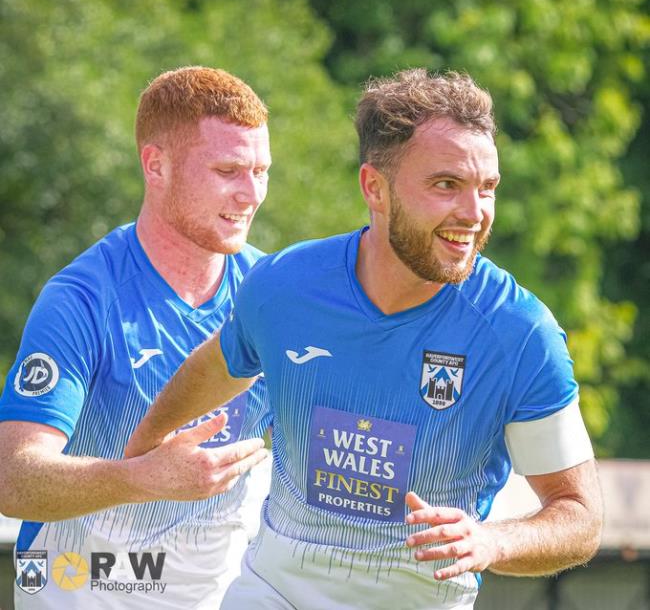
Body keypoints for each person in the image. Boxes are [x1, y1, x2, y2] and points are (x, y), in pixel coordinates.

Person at [126, 69, 603, 610]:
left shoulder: (520, 333)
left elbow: (579, 517)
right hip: (276, 589)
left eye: (486, 188)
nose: (473, 214)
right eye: (446, 185)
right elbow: (220, 364)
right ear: (374, 187)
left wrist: (492, 540)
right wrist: (141, 453)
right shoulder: (285, 287)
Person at [0, 66, 273, 609]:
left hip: (214, 595)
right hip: (80, 590)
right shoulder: (82, 299)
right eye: (227, 170)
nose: (250, 195)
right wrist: (142, 477)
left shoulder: (271, 295)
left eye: (261, 171)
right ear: (157, 166)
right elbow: (13, 479)